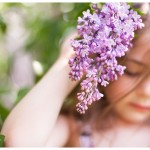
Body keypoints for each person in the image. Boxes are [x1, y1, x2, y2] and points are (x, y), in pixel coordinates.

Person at [1, 2, 150, 147]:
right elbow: (19, 143)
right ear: (101, 61)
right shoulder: (77, 129)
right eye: (131, 71)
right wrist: (72, 61)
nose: (146, 92)